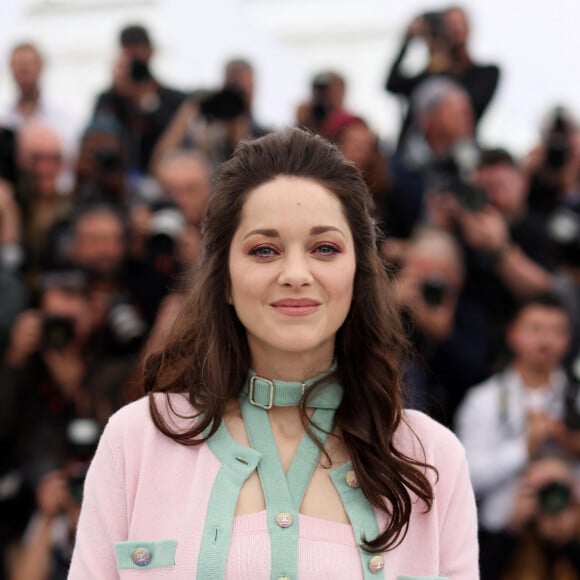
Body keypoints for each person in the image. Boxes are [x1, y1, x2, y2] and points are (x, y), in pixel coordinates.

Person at [68, 128, 478, 579]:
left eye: (325, 248)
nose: (296, 273)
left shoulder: (431, 459)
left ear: (358, 273)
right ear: (223, 277)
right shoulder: (137, 440)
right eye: (265, 250)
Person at [455, 293, 576, 580]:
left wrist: (565, 482)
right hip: (499, 541)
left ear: (568, 339)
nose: (545, 341)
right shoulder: (483, 399)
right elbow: (464, 477)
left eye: (555, 331)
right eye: (535, 329)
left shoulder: (575, 396)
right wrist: (525, 448)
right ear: (513, 334)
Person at [385, 5, 500, 147]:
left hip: (459, 153)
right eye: (450, 25)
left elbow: (469, 104)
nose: (455, 31)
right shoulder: (427, 76)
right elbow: (392, 84)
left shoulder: (486, 73)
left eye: (460, 24)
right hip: (414, 157)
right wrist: (407, 41)